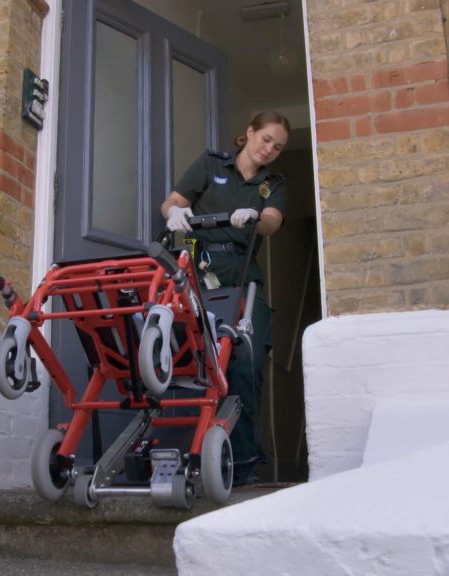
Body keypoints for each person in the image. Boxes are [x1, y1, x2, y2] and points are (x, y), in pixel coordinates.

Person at [160, 111, 290, 486]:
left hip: (243, 276)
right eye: (265, 139)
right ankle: (184, 454)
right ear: (249, 132)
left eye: (278, 146)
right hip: (198, 273)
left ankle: (244, 462)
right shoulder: (210, 165)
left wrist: (253, 217)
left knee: (245, 363)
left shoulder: (272, 183)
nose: (269, 149)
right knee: (189, 362)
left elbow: (271, 221)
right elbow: (171, 202)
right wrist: (175, 213)